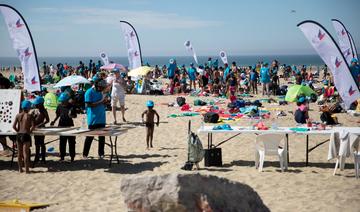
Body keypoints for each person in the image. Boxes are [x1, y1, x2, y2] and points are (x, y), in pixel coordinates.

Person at [83, 76, 108, 158]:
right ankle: (85, 154)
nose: (102, 89)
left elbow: (102, 103)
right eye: (101, 87)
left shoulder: (101, 92)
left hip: (102, 118)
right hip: (93, 119)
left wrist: (105, 102)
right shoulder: (89, 92)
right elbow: (88, 105)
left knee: (102, 137)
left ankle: (101, 153)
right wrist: (101, 102)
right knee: (90, 137)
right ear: (96, 85)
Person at [50, 93, 76, 161]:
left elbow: (75, 116)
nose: (62, 102)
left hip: (70, 126)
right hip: (61, 125)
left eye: (63, 101)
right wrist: (54, 121)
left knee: (71, 142)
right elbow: (58, 115)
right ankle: (62, 157)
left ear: (67, 100)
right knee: (62, 142)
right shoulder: (59, 106)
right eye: (61, 101)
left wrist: (71, 116)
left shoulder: (71, 106)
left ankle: (72, 157)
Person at [13, 100, 35, 173]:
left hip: (19, 135)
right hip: (26, 135)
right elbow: (33, 126)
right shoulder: (29, 116)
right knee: (26, 153)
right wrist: (29, 132)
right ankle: (27, 170)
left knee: (19, 153)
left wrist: (18, 131)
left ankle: (20, 169)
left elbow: (13, 126)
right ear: (28, 108)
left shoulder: (18, 115)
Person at [31, 96, 49, 164]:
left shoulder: (44, 111)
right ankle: (37, 157)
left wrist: (40, 125)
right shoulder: (36, 110)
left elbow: (47, 120)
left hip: (41, 129)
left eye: (37, 104)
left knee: (41, 143)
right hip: (36, 128)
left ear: (41, 104)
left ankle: (43, 158)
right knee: (36, 143)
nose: (36, 105)